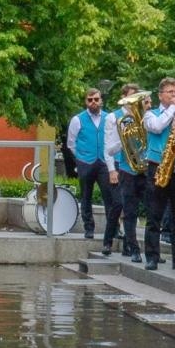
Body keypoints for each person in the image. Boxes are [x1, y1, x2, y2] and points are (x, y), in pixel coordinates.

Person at [142, 77, 175, 271]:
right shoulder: (150, 114)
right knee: (154, 214)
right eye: (170, 92)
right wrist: (173, 109)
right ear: (160, 95)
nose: (174, 96)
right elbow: (157, 127)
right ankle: (152, 257)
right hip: (158, 167)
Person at [102, 83, 144, 260]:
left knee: (133, 207)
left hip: (140, 166)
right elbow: (108, 147)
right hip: (120, 165)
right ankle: (108, 240)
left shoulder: (143, 116)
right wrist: (112, 170)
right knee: (119, 204)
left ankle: (129, 244)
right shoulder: (114, 117)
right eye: (131, 97)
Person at [66, 88, 110, 242]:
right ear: (86, 101)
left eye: (96, 99)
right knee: (86, 196)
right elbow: (71, 143)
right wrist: (81, 158)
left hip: (104, 162)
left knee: (109, 196)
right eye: (90, 100)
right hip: (86, 162)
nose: (93, 103)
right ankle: (88, 228)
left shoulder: (108, 118)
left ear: (101, 100)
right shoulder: (77, 119)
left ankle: (113, 229)